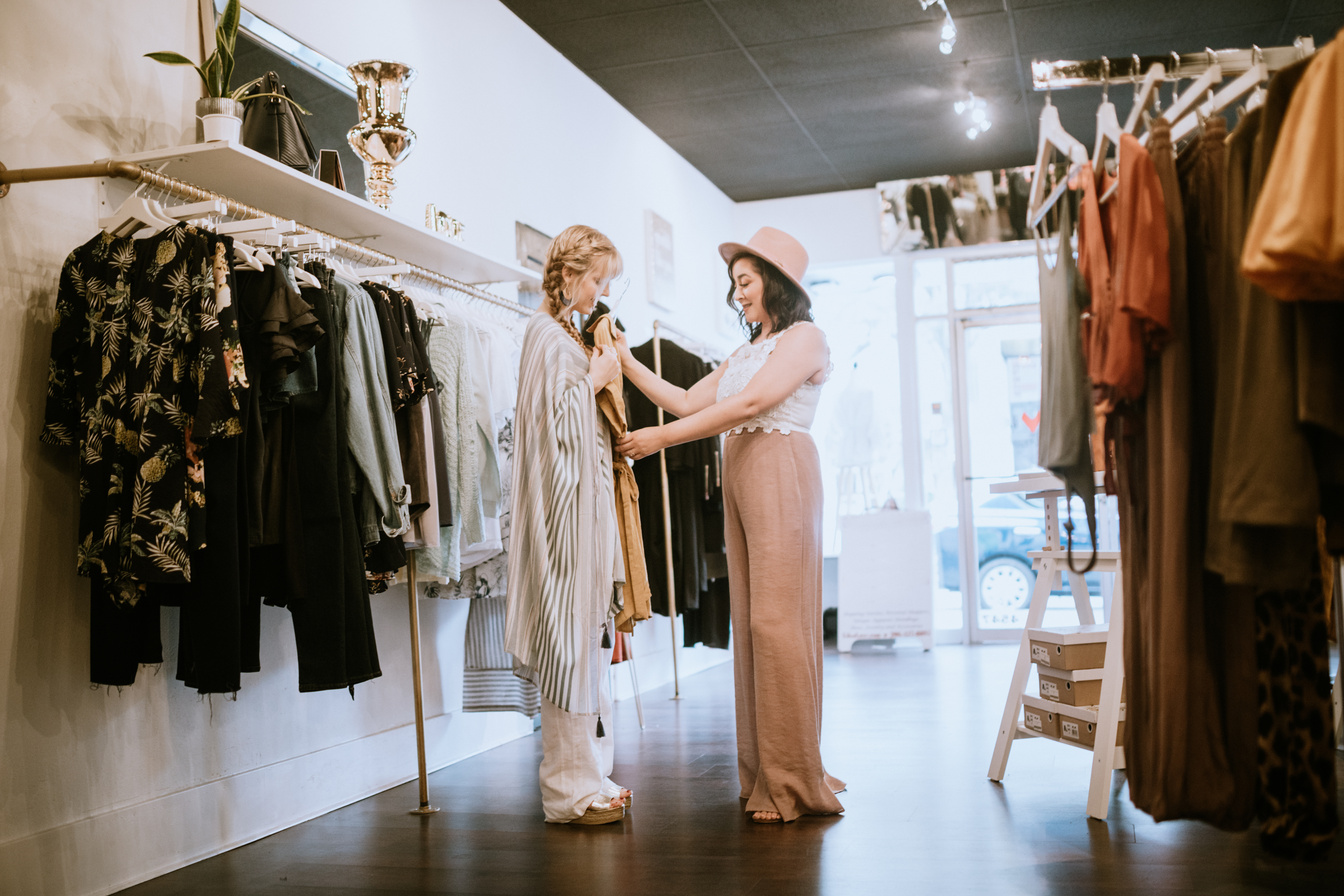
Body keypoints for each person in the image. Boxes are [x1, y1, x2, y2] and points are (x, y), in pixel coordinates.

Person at [615, 226, 845, 824]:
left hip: (781, 466)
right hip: (744, 469)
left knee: (776, 622)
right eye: (734, 283)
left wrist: (657, 441)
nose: (737, 293)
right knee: (751, 622)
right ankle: (768, 770)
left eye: (745, 281)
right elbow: (691, 400)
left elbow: (750, 406)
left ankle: (793, 776)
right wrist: (626, 361)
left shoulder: (805, 338)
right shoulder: (748, 350)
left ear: (776, 282)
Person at [504, 225, 631, 824]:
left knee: (589, 647)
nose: (602, 291)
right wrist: (597, 380)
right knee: (571, 648)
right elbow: (549, 432)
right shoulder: (545, 337)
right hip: (562, 522)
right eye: (597, 279)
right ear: (571, 275)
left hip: (583, 516)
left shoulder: (565, 338)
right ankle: (568, 791)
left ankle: (592, 775)